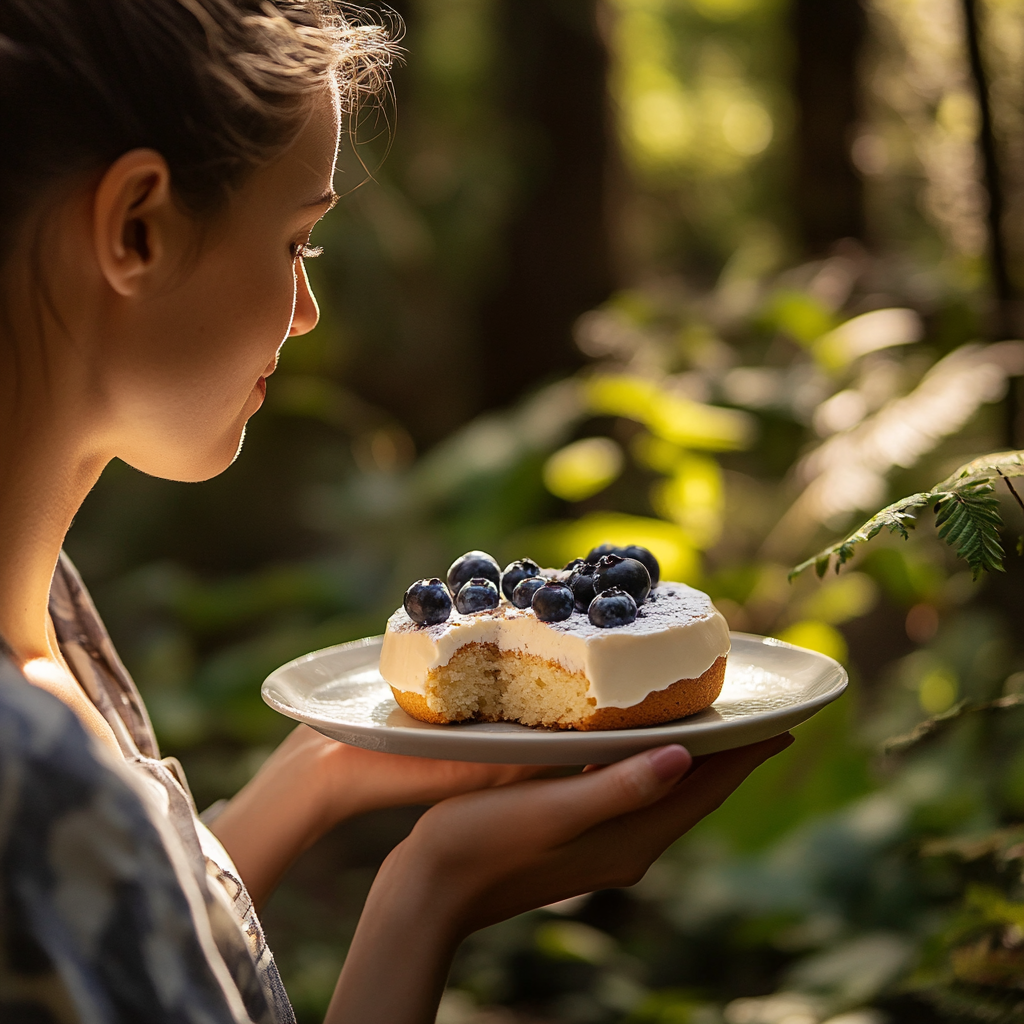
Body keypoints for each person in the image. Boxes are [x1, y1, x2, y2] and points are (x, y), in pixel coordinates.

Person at [0, 1, 792, 1021]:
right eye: (298, 243)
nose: (306, 311)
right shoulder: (22, 771)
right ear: (136, 228)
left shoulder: (50, 608)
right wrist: (429, 896)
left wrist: (313, 780)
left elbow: (122, 943)